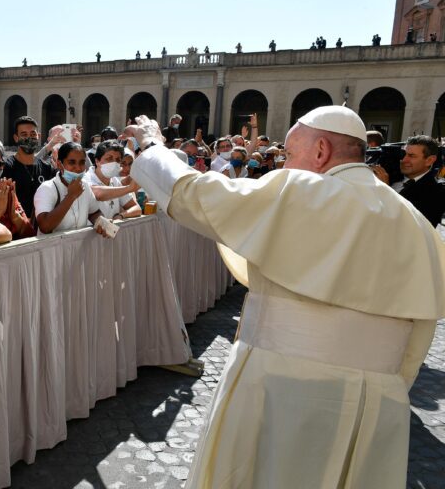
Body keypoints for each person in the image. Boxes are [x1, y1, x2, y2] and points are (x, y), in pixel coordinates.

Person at [130, 107, 444, 488]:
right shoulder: (416, 224)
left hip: (281, 389)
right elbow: (416, 340)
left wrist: (153, 146)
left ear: (321, 150)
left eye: (291, 153)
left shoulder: (301, 189)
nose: (285, 163)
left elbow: (193, 195)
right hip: (379, 403)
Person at [34, 142, 108, 236]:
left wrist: (102, 222)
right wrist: (71, 196)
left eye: (82, 162)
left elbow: (94, 212)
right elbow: (45, 227)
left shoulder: (85, 186)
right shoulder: (47, 188)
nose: (78, 168)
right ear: (59, 164)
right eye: (72, 162)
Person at [372, 135, 445, 227]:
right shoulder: (390, 176)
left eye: (412, 156)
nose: (404, 160)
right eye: (403, 154)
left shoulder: (437, 191)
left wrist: (385, 190)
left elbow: (410, 224)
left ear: (429, 160)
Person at [1, 116, 55, 221]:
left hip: (41, 226)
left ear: (39, 136)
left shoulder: (47, 168)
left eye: (33, 134)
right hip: (17, 227)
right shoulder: (6, 167)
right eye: (24, 134)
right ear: (16, 138)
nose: (29, 138)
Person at [83, 140, 141, 220]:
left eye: (118, 160)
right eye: (109, 158)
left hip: (111, 227)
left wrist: (121, 215)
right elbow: (98, 194)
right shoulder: (87, 178)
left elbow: (136, 208)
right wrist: (129, 188)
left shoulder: (114, 180)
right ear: (97, 161)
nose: (114, 163)